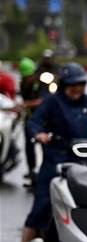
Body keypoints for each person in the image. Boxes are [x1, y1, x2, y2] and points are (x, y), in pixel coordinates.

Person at [12, 63, 87, 242]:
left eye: (80, 84)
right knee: (41, 206)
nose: (77, 89)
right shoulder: (52, 102)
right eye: (72, 84)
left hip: (84, 164)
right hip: (55, 161)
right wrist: (39, 134)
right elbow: (34, 122)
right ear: (64, 85)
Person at [18, 57, 43, 187]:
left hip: (43, 120)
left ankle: (45, 174)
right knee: (29, 146)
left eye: (29, 76)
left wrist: (27, 104)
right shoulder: (22, 83)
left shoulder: (41, 82)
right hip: (29, 119)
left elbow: (44, 100)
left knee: (45, 146)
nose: (27, 78)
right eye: (25, 76)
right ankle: (32, 172)